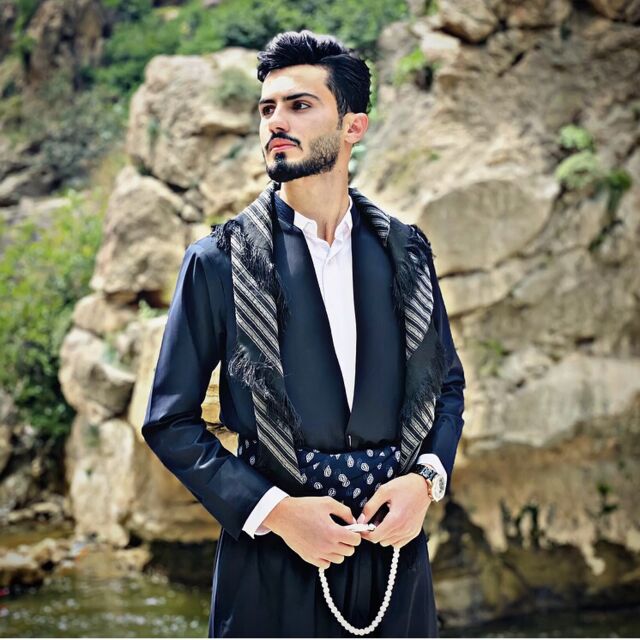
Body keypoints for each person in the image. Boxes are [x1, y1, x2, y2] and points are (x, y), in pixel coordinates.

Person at [141, 29, 465, 638]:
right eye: (268, 108)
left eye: (300, 105)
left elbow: (446, 386)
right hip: (269, 568)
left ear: (353, 126)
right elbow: (169, 421)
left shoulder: (406, 252)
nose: (276, 122)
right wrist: (278, 513)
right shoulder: (218, 262)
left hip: (394, 562)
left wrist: (425, 483)